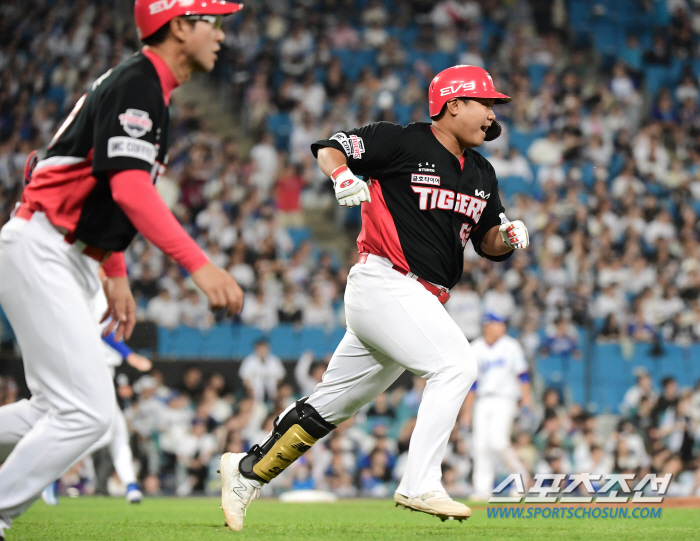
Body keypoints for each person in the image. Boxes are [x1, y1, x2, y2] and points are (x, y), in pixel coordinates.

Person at [219, 65, 530, 530]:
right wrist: (342, 176)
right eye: (485, 102)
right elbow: (330, 148)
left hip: (416, 300)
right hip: (384, 281)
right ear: (453, 104)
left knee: (332, 405)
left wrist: (506, 237)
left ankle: (246, 472)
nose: (492, 114)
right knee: (457, 366)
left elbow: (487, 241)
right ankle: (420, 481)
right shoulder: (401, 140)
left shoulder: (482, 172)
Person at [0, 2, 244, 537]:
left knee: (52, 411)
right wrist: (199, 266)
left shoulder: (146, 86)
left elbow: (101, 188)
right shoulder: (139, 83)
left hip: (62, 249)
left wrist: (114, 272)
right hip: (45, 245)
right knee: (88, 413)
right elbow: (129, 188)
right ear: (179, 25)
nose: (221, 35)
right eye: (213, 22)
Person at [42, 283, 153, 506]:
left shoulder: (101, 291)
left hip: (100, 368)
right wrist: (129, 355)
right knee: (102, 433)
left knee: (118, 431)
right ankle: (50, 474)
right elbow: (103, 330)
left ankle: (131, 487)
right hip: (94, 368)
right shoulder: (96, 291)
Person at [463, 312, 532, 500]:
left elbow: (522, 374)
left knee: (498, 442)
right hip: (482, 400)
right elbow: (473, 384)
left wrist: (526, 398)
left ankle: (521, 478)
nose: (502, 327)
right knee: (480, 445)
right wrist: (467, 411)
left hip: (505, 398)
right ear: (487, 326)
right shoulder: (476, 347)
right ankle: (482, 489)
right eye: (498, 323)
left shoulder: (511, 345)